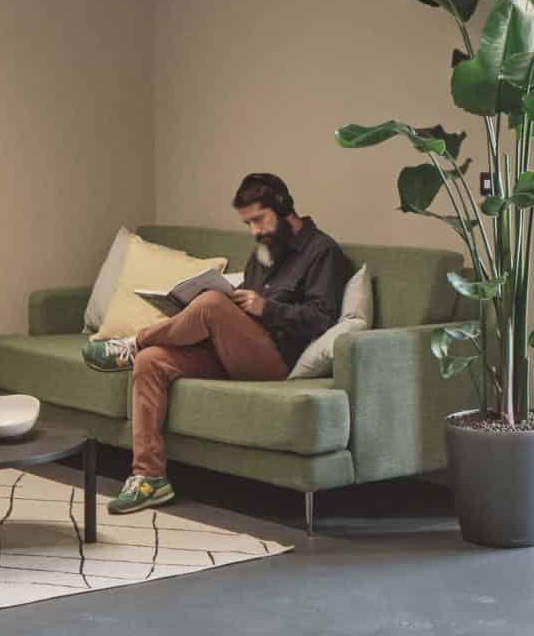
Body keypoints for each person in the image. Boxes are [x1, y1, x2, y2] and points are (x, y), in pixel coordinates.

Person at [81, 173, 355, 515]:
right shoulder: (264, 252)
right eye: (248, 223)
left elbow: (322, 318)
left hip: (275, 362)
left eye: (259, 219)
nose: (255, 231)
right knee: (152, 361)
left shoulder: (321, 252)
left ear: (284, 208)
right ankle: (150, 478)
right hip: (234, 350)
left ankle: (134, 342)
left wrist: (266, 308)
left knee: (210, 304)